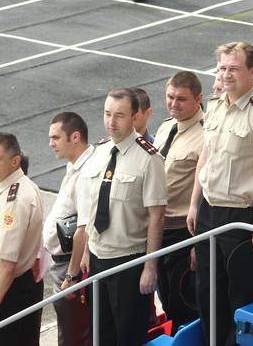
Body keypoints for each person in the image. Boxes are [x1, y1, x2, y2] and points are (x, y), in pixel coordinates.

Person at [187, 42, 253, 346]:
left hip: (241, 216)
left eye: (234, 69)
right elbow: (206, 156)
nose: (226, 75)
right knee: (207, 290)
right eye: (222, 68)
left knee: (240, 295)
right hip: (209, 209)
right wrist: (194, 203)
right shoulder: (217, 104)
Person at [79, 88, 167, 346]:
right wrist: (86, 250)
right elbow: (94, 205)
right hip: (98, 256)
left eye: (119, 115)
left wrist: (150, 267)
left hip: (128, 261)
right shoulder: (100, 151)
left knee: (128, 335)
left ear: (134, 117)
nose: (111, 121)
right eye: (107, 114)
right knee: (100, 333)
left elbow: (157, 216)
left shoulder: (149, 158)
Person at [0, 133, 44, 346]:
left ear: (15, 161)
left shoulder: (14, 201)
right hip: (17, 286)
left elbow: (6, 262)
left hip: (6, 292)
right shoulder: (21, 187)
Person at [152, 71, 204, 327]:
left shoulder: (206, 136)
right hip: (158, 228)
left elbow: (207, 193)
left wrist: (198, 243)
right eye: (170, 97)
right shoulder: (166, 127)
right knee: (165, 297)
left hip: (184, 232)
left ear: (198, 99)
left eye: (181, 99)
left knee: (183, 302)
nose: (173, 104)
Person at [43, 113, 94, 346]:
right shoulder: (74, 165)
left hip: (69, 266)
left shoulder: (86, 173)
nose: (51, 143)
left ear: (75, 137)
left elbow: (84, 228)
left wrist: (72, 276)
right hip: (63, 262)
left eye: (55, 137)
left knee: (73, 335)